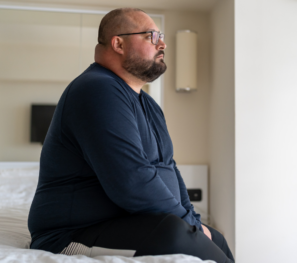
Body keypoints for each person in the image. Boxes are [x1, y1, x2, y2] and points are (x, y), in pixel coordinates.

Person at [28, 8, 234, 263]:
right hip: (70, 235)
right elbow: (131, 180)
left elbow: (170, 168)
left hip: (124, 223)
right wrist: (186, 225)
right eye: (152, 36)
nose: (163, 43)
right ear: (118, 43)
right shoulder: (96, 89)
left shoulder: (149, 105)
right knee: (175, 233)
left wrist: (193, 221)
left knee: (216, 237)